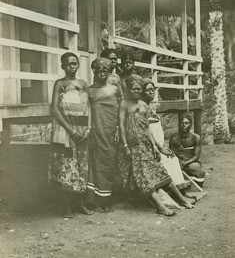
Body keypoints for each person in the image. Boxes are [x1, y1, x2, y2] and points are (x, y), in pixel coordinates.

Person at [118, 74, 194, 216]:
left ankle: (181, 199)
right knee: (144, 177)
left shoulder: (143, 105)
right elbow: (121, 126)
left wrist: (156, 147)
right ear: (128, 89)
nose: (136, 92)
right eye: (133, 89)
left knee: (161, 172)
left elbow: (147, 129)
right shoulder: (124, 104)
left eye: (139, 89)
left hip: (146, 146)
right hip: (134, 149)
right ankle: (159, 206)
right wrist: (125, 146)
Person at [48, 52, 92, 218]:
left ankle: (79, 203)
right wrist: (71, 130)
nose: (72, 66)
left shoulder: (83, 84)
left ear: (78, 64)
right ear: (63, 66)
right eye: (68, 64)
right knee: (66, 166)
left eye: (74, 63)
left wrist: (88, 128)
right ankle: (66, 207)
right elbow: (55, 110)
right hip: (64, 130)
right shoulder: (60, 84)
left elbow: (89, 107)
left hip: (82, 130)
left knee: (82, 165)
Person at [141, 78, 189, 192]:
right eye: (148, 90)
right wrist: (159, 148)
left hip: (159, 145)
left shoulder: (150, 106)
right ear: (142, 92)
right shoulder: (142, 107)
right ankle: (177, 191)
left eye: (153, 90)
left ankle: (181, 189)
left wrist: (163, 147)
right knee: (166, 159)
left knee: (172, 157)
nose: (151, 92)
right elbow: (147, 131)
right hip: (151, 146)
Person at [87, 57, 120, 212]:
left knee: (110, 162)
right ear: (94, 70)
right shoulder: (89, 91)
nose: (102, 72)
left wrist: (119, 128)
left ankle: (107, 199)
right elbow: (87, 112)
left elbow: (121, 109)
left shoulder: (114, 89)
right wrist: (89, 131)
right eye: (99, 69)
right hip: (97, 130)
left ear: (109, 71)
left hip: (112, 130)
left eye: (105, 70)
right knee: (96, 163)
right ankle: (95, 201)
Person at [169, 113, 205, 187]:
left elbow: (196, 156)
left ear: (191, 124)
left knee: (199, 172)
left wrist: (186, 163)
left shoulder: (195, 137)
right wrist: (179, 161)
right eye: (182, 123)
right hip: (178, 162)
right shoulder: (174, 138)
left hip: (191, 162)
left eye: (186, 123)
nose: (184, 125)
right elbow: (171, 154)